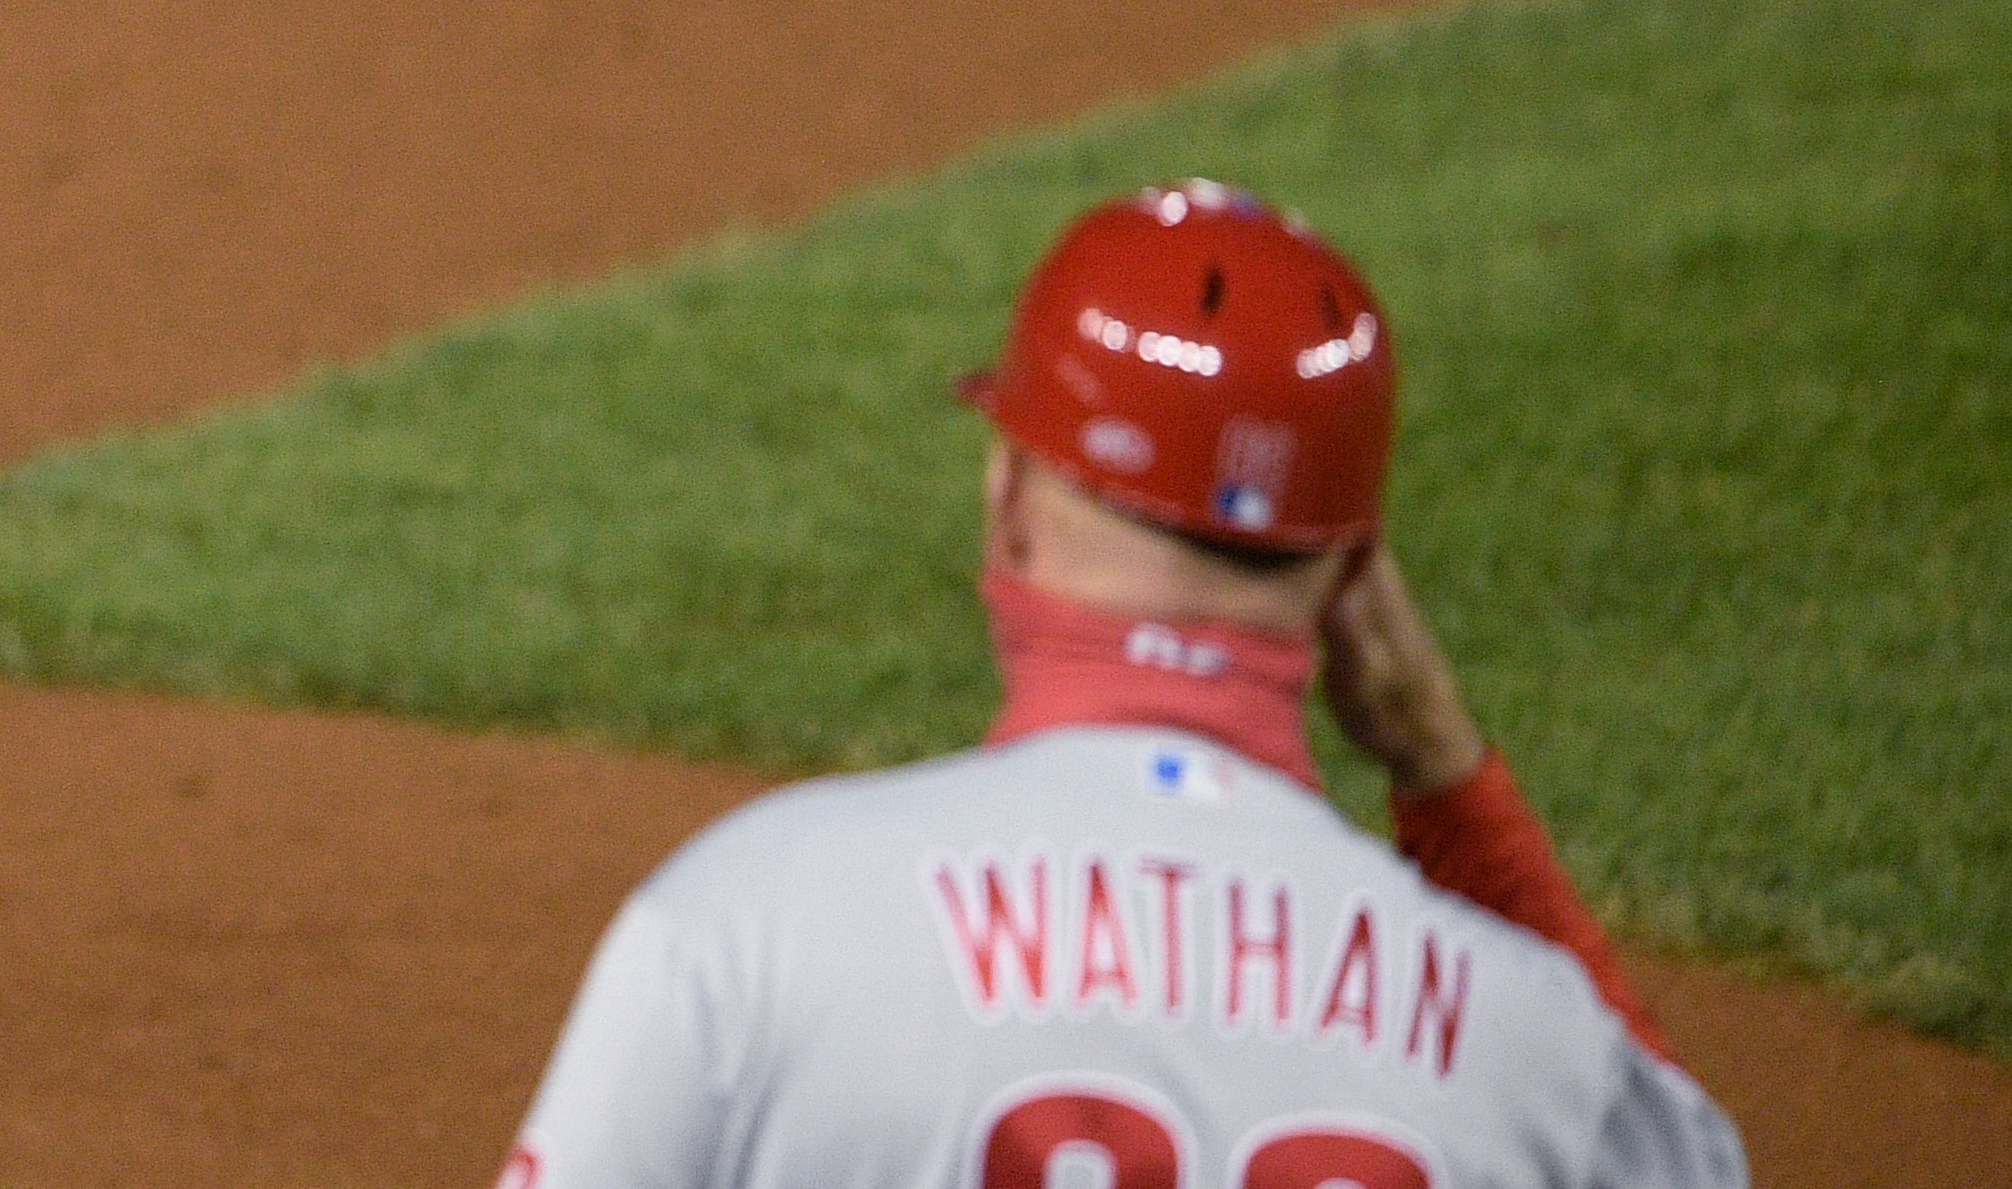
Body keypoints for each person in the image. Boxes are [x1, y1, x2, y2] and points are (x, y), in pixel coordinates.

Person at [502, 183, 1748, 1189]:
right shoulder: (1525, 1036)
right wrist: (1444, 768)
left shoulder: (749, 918)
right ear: (1357, 572)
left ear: (1007, 499)